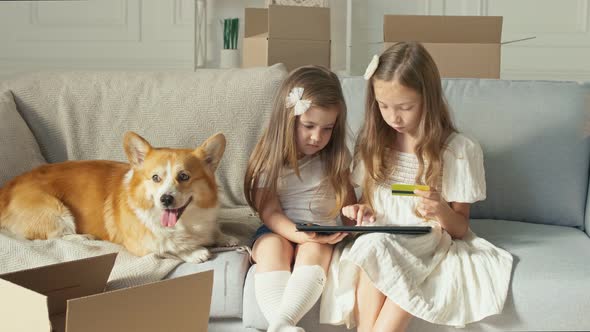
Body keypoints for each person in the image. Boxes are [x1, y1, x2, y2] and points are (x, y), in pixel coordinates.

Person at [320, 42, 513, 332]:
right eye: (383, 107)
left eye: (405, 107)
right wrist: (361, 209)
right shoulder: (375, 145)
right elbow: (370, 205)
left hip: (425, 243)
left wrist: (440, 210)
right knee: (373, 244)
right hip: (380, 238)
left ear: (428, 99)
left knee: (376, 248)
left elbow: (460, 229)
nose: (393, 117)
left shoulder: (457, 150)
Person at [244, 65, 356, 332]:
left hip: (321, 231)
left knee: (315, 250)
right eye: (308, 126)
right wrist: (299, 235)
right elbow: (269, 212)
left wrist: (356, 215)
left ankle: (281, 324)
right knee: (273, 248)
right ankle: (282, 325)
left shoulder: (336, 157)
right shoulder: (270, 158)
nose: (317, 137)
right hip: (279, 227)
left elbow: (348, 206)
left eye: (327, 128)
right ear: (288, 120)